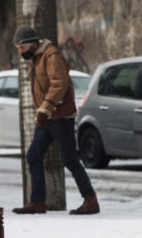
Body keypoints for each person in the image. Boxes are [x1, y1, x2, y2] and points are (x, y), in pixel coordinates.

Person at [11, 25, 100, 215]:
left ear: (32, 43)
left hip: (60, 116)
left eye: (22, 47)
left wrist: (45, 108)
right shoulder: (36, 58)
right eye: (18, 48)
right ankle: (37, 202)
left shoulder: (51, 56)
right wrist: (43, 111)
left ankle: (90, 200)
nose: (20, 52)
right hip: (47, 117)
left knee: (69, 159)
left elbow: (59, 83)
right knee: (33, 155)